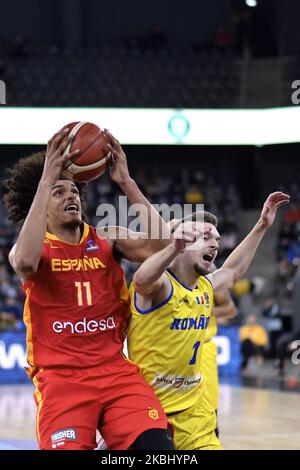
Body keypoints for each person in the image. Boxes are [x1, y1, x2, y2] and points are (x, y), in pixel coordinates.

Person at [3, 126, 174, 451]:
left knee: (159, 452)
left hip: (115, 373)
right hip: (61, 380)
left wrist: (126, 181)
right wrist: (46, 177)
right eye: (59, 192)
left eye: (75, 191)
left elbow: (164, 248)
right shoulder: (32, 248)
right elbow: (25, 264)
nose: (71, 196)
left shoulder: (108, 237)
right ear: (40, 204)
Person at [127, 191, 289, 450]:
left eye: (216, 239)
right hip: (148, 409)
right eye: (204, 237)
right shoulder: (160, 284)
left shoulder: (205, 286)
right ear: (179, 245)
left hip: (194, 412)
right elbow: (142, 279)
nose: (215, 243)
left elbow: (232, 271)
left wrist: (261, 226)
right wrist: (171, 246)